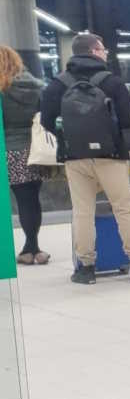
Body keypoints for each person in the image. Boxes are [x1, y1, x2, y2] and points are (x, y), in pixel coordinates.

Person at [40, 33, 130, 284]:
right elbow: (129, 120)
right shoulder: (111, 82)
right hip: (111, 155)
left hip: (75, 157)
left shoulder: (58, 84)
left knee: (82, 212)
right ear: (93, 51)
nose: (105, 53)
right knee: (123, 208)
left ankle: (86, 269)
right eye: (102, 49)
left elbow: (47, 120)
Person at [0, 46, 50, 265]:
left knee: (20, 201)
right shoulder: (36, 87)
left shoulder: (2, 89)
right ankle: (33, 248)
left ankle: (29, 250)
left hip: (9, 149)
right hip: (34, 150)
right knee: (30, 200)